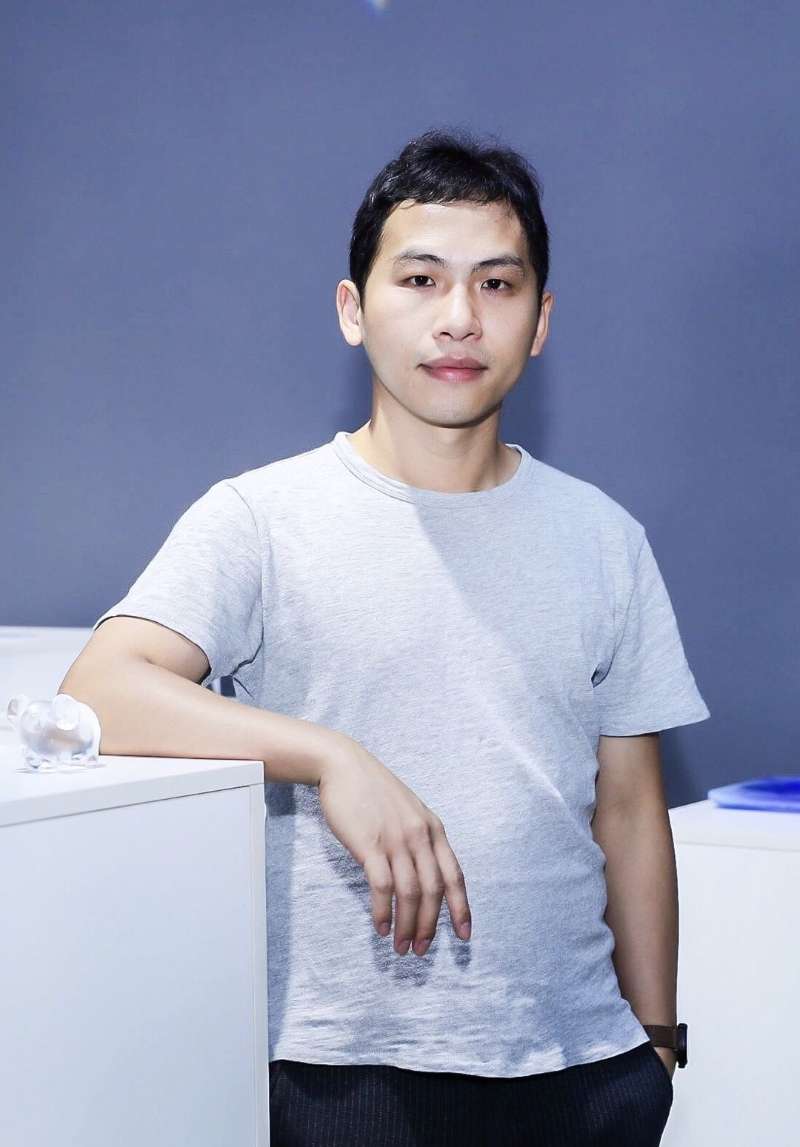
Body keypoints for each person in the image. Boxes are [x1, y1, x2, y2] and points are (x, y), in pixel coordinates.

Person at [79, 127, 709, 1145]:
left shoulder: (603, 537)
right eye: (419, 279)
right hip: (342, 1069)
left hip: (581, 1067)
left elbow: (631, 808)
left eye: (496, 285)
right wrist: (332, 757)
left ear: (540, 321)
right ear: (352, 308)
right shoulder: (260, 518)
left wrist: (656, 1043)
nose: (458, 317)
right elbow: (102, 689)